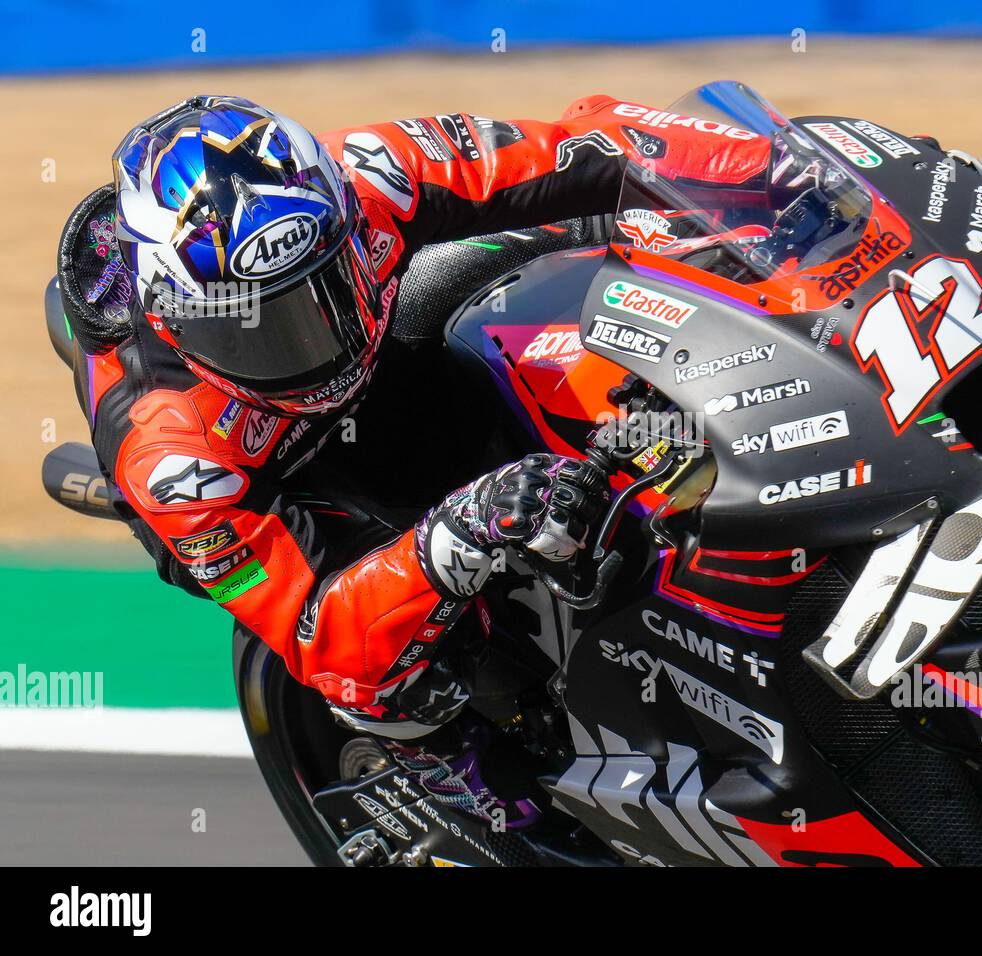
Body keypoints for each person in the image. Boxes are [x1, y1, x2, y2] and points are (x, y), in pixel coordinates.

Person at [63, 94, 775, 737]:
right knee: (391, 680)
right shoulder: (169, 454)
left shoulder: (368, 175)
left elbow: (588, 145)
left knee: (596, 230)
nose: (308, 345)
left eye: (321, 295)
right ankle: (470, 781)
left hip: (387, 353)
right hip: (267, 471)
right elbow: (325, 639)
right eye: (251, 331)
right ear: (176, 323)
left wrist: (780, 172)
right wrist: (457, 531)